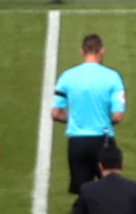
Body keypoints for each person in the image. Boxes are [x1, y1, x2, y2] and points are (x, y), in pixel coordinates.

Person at [50, 30, 128, 202]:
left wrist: (75, 118)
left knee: (83, 195)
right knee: (109, 193)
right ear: (102, 51)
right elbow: (117, 116)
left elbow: (55, 114)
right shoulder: (113, 78)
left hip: (77, 143)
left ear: (82, 52)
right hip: (103, 140)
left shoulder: (67, 77)